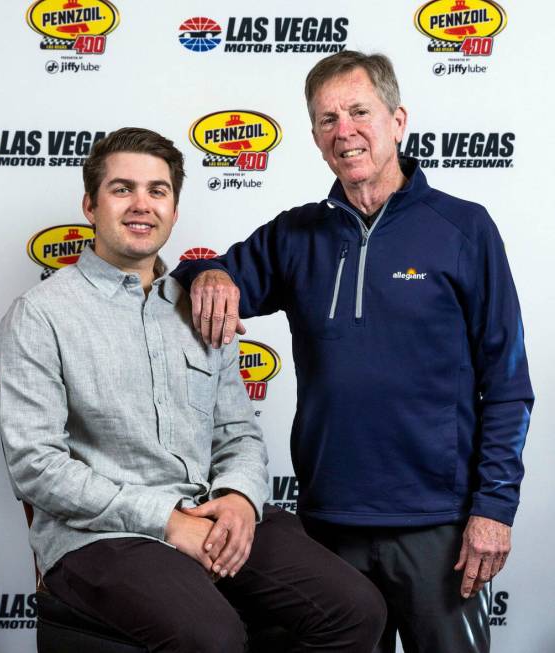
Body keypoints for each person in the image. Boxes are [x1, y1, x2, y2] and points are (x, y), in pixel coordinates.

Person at [172, 52, 534, 653]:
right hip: (326, 522)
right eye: (326, 119)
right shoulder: (294, 235)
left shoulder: (464, 229)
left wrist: (494, 508)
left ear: (397, 120)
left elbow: (508, 383)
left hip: (438, 522)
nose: (344, 130)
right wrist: (207, 273)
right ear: (315, 138)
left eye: (359, 112)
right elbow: (200, 275)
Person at [0, 127, 387, 653]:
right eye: (122, 189)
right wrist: (166, 521)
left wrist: (240, 500)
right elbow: (36, 465)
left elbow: (238, 433)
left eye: (158, 191)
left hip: (209, 509)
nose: (141, 205)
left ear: (175, 211)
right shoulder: (40, 315)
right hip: (103, 537)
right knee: (211, 638)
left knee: (357, 610)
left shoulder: (200, 304)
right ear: (90, 204)